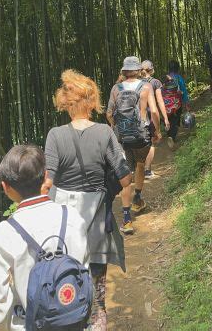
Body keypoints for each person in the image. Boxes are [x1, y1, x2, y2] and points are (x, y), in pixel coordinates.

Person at [45, 70, 132, 331]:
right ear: (93, 101)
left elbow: (47, 183)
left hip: (62, 228)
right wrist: (105, 191)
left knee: (65, 287)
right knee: (98, 301)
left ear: (65, 103)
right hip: (96, 225)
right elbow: (126, 179)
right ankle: (97, 319)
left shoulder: (55, 135)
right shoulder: (105, 132)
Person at [0, 144, 89, 331]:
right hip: (74, 319)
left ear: (5, 187)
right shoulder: (72, 216)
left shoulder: (3, 235)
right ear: (46, 176)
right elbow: (84, 269)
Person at [107, 56, 161, 235]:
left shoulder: (116, 88)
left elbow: (109, 114)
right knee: (140, 164)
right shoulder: (146, 86)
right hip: (141, 135)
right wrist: (157, 131)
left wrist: (117, 129)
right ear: (138, 70)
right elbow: (153, 111)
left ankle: (127, 219)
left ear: (124, 71)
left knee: (125, 176)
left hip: (123, 137)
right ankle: (137, 199)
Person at [141, 60, 170, 179]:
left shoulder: (137, 82)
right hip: (151, 115)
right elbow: (160, 101)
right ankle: (147, 170)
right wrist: (166, 118)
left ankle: (138, 170)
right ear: (152, 69)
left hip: (140, 115)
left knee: (140, 143)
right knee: (151, 142)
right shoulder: (156, 82)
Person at [164, 60, 190, 150]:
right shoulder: (179, 78)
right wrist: (186, 103)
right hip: (176, 103)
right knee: (175, 119)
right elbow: (184, 91)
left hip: (166, 104)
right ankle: (172, 137)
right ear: (177, 67)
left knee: (169, 119)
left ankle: (169, 135)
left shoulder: (166, 77)